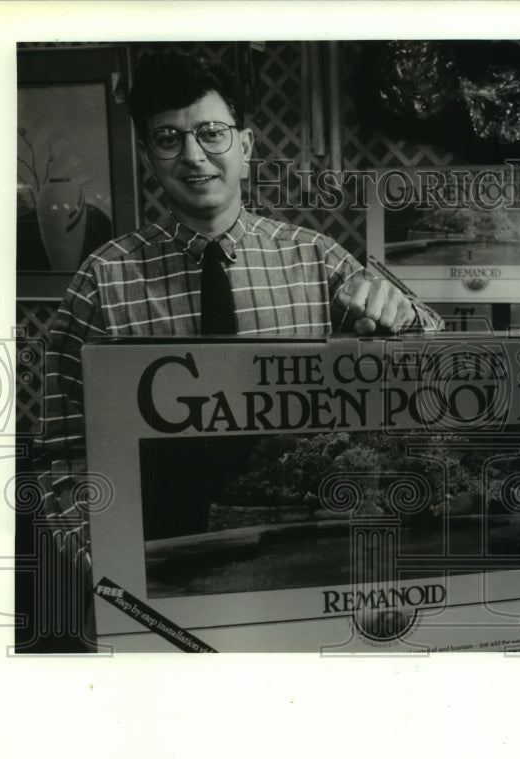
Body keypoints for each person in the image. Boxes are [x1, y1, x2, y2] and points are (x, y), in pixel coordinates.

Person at [32, 50, 442, 646]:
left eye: (211, 133)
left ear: (245, 146)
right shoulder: (102, 281)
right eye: (168, 138)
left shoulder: (315, 259)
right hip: (147, 576)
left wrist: (403, 314)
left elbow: (432, 345)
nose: (193, 155)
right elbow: (60, 455)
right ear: (149, 157)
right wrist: (106, 566)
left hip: (300, 568)